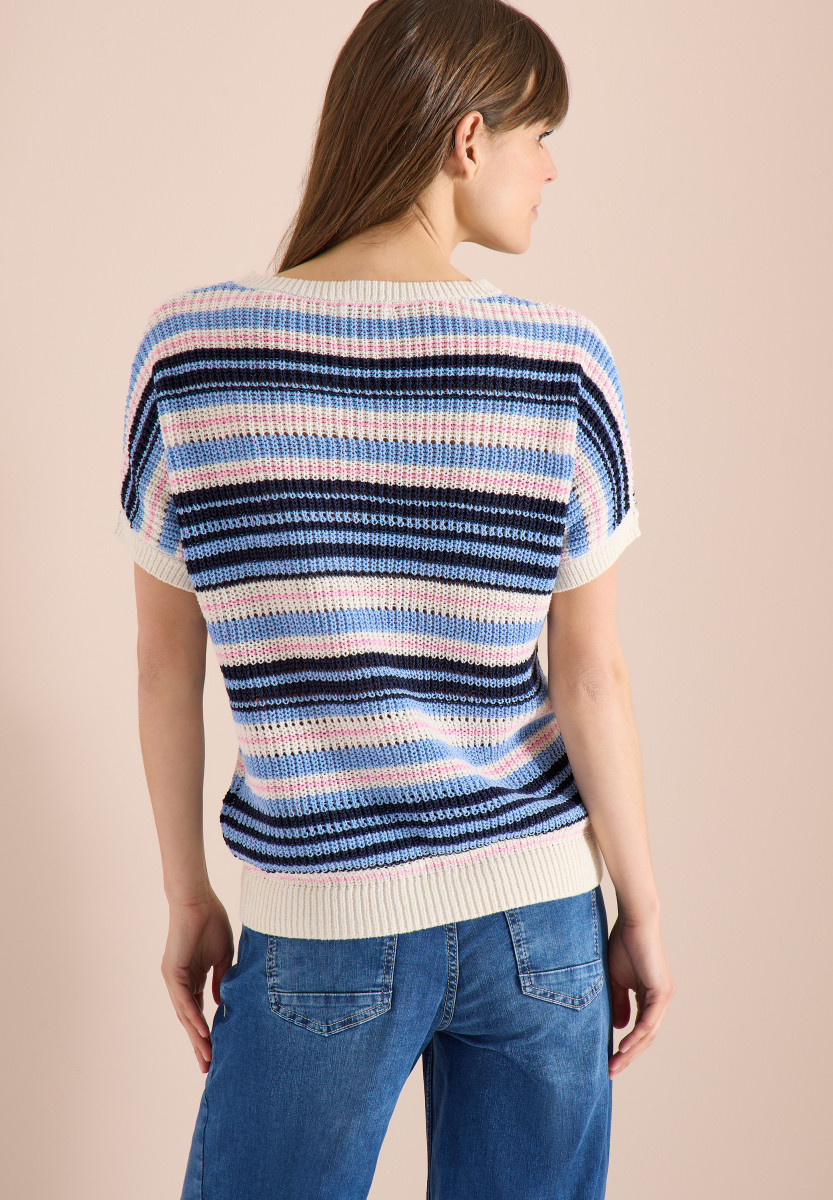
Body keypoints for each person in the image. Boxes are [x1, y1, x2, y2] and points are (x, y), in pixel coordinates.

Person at [114, 0, 675, 1196]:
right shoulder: (564, 362)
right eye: (539, 137)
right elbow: (592, 678)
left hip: (321, 921)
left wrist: (188, 895)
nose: (551, 167)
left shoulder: (190, 353)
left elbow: (166, 667)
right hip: (541, 925)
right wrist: (640, 907)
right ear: (469, 140)